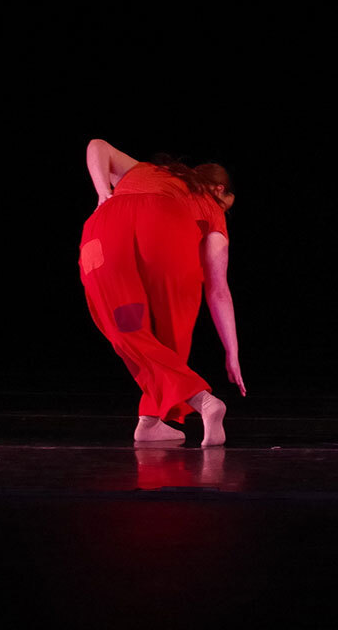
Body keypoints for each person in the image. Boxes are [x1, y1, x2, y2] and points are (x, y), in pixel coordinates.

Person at [81, 141, 243, 445]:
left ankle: (150, 421)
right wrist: (232, 352)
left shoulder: (146, 170)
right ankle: (203, 400)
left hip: (104, 233)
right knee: (171, 330)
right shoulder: (210, 206)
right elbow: (218, 290)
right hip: (166, 232)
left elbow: (97, 145)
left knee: (126, 328)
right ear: (220, 190)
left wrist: (104, 192)